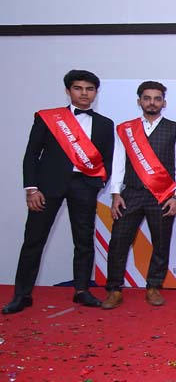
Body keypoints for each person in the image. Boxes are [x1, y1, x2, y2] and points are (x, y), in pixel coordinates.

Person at [3, 70, 114, 315]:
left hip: (84, 186)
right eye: (78, 88)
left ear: (96, 92)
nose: (84, 93)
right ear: (68, 90)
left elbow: (107, 158)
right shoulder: (48, 118)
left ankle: (82, 290)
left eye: (89, 89)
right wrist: (32, 188)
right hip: (47, 187)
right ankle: (22, 295)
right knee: (34, 240)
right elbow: (32, 154)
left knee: (84, 240)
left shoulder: (105, 124)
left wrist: (97, 183)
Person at [101, 81, 176, 309]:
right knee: (119, 241)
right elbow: (118, 162)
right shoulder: (126, 129)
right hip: (130, 194)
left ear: (164, 102)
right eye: (147, 98)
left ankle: (153, 287)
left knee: (161, 243)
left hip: (163, 196)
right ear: (139, 101)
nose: (152, 103)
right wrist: (115, 193)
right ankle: (114, 289)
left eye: (157, 98)